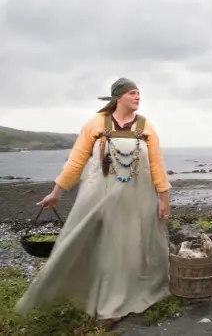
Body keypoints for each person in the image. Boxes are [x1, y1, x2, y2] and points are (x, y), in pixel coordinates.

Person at [15, 78, 172, 330]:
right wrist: (57, 192)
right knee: (106, 249)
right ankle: (109, 306)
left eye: (139, 93)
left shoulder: (146, 127)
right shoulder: (95, 124)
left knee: (134, 247)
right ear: (118, 97)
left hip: (138, 200)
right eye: (133, 93)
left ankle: (139, 291)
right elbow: (76, 162)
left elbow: (156, 166)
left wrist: (164, 199)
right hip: (101, 199)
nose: (137, 97)